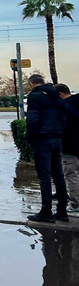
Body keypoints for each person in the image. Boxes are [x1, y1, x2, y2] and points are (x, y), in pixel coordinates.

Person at [26, 74, 67, 222]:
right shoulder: (56, 95)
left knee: (44, 177)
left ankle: (46, 211)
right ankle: (62, 211)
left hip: (42, 139)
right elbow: (63, 117)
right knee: (58, 175)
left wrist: (31, 137)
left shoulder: (35, 97)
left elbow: (32, 119)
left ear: (32, 84)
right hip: (56, 137)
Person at [56, 83, 79, 213]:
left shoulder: (64, 108)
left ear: (60, 94)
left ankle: (75, 204)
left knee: (72, 176)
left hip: (69, 146)